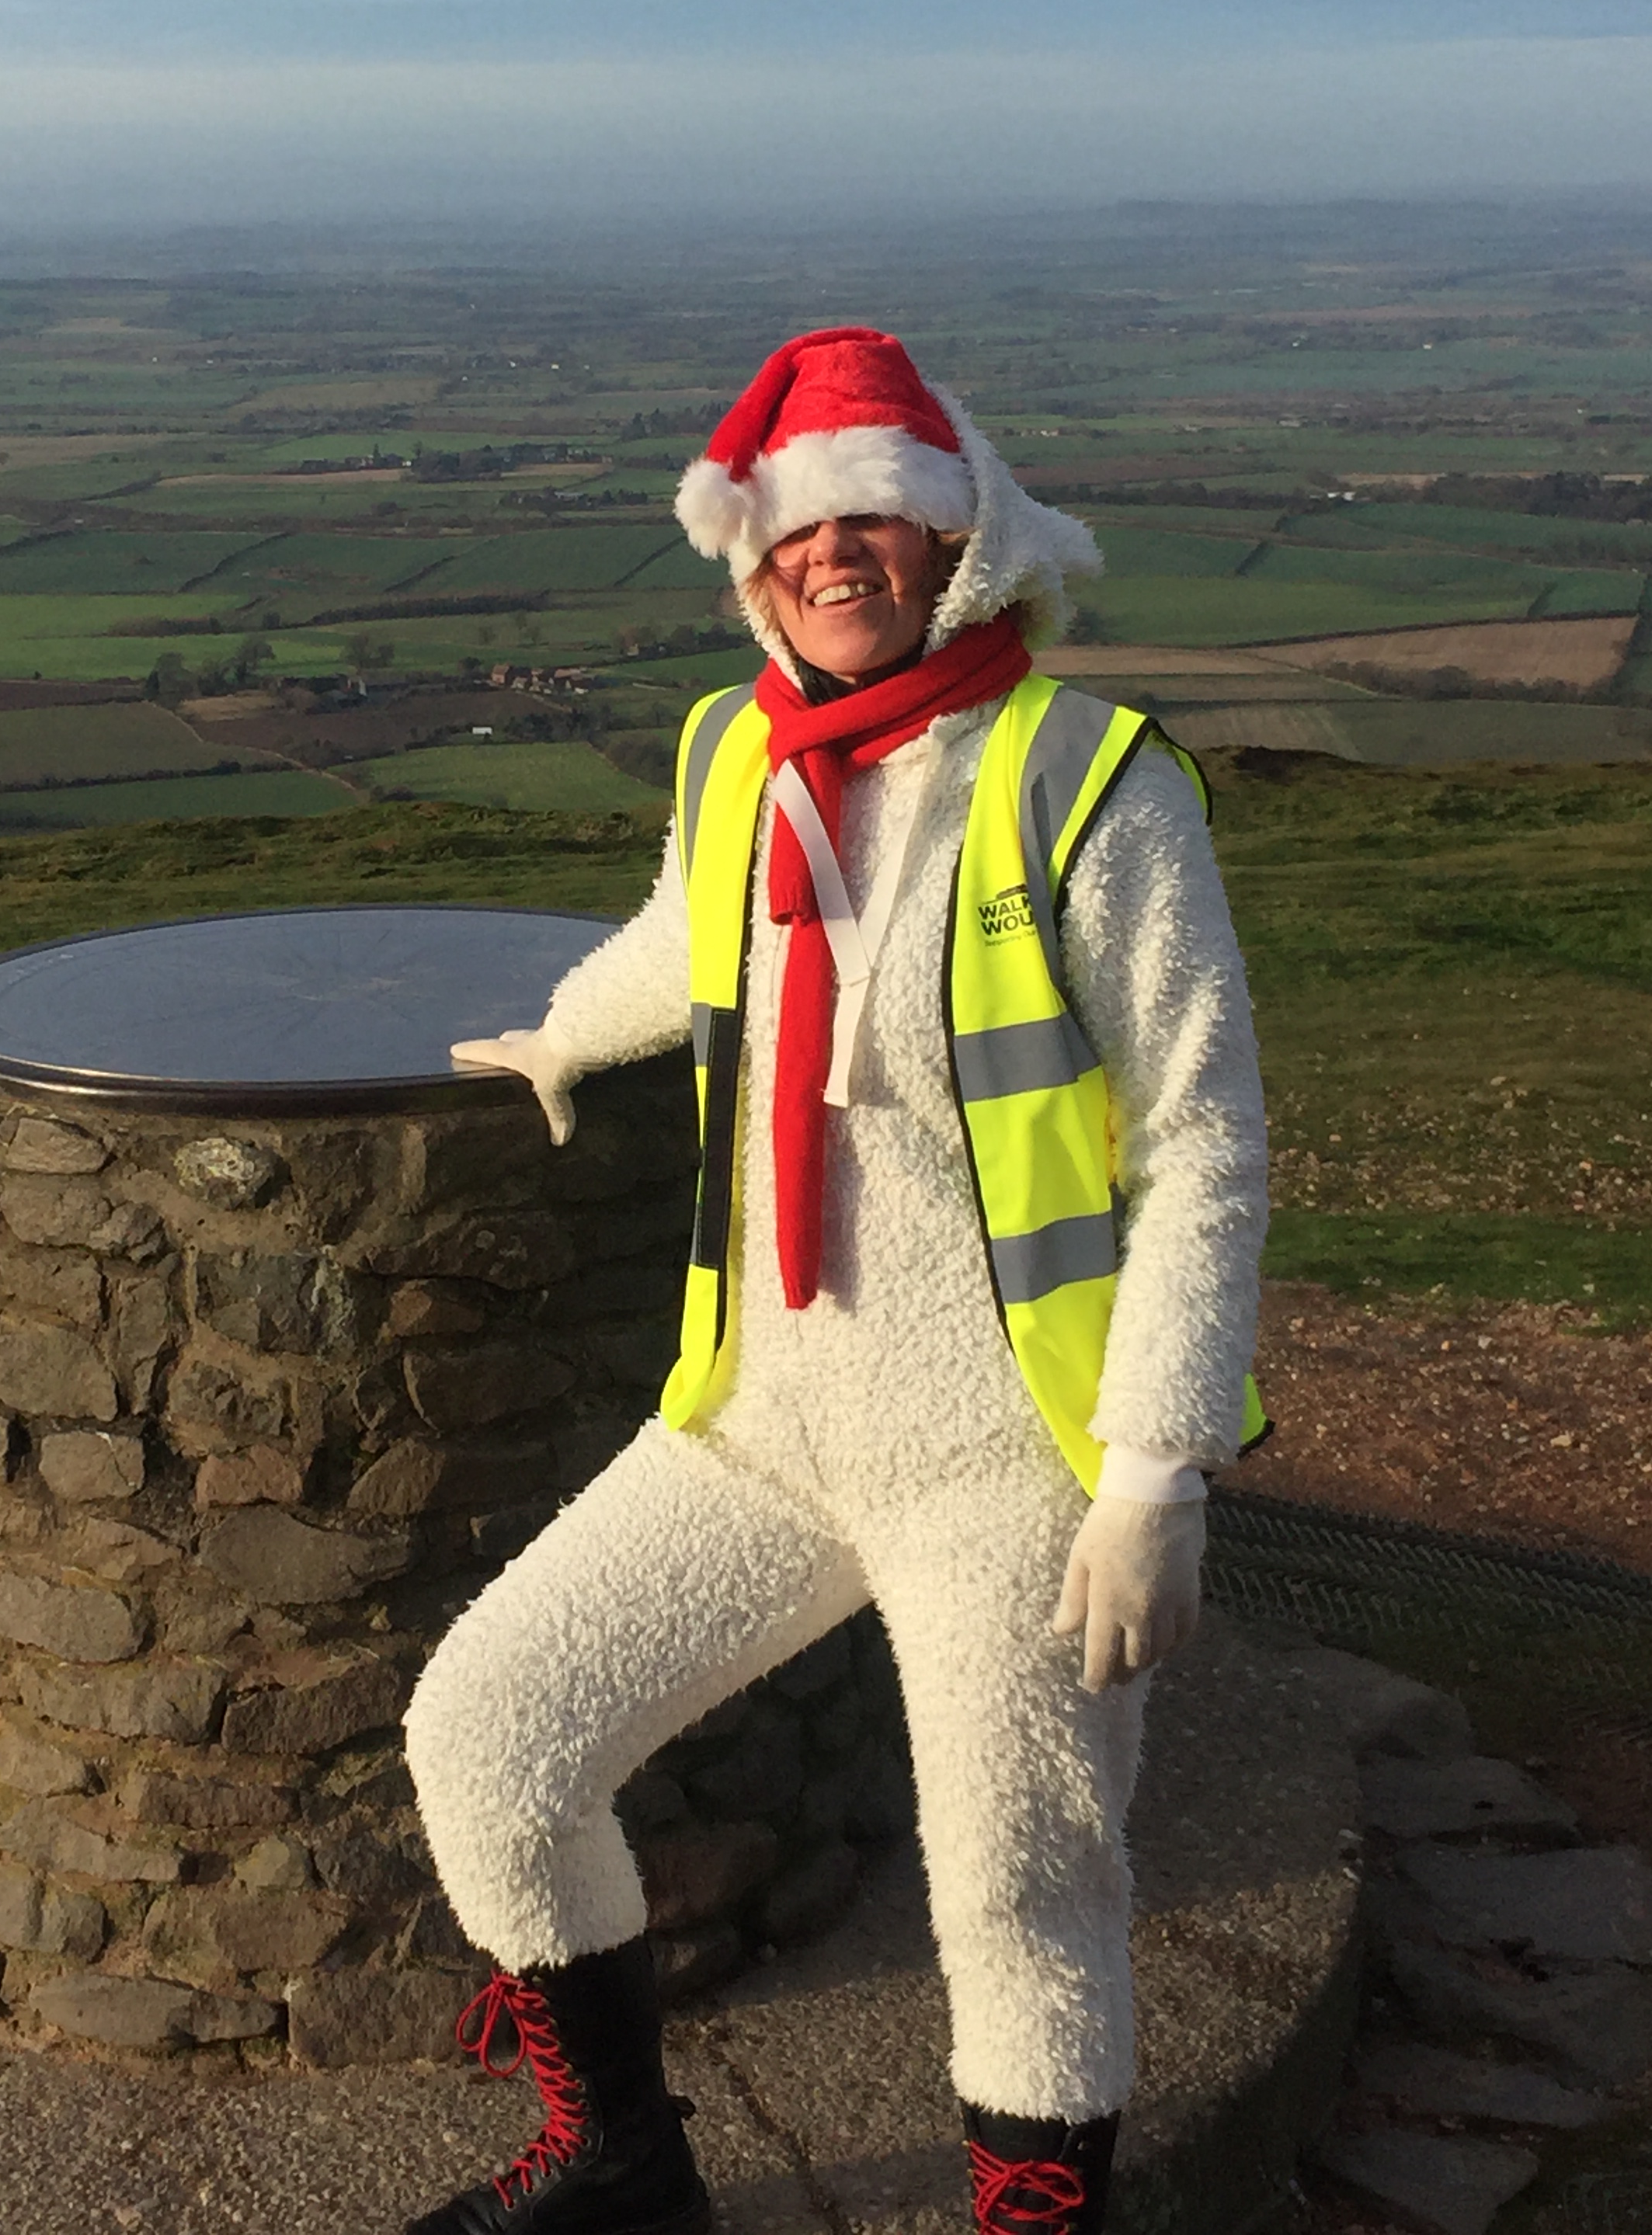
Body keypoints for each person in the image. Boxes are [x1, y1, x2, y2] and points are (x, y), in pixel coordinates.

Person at [405, 326, 1268, 2235]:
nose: (832, 552)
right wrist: (564, 1033)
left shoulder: (1087, 781)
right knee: (489, 1735)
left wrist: (1156, 1472)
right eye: (797, 528)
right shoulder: (739, 746)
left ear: (960, 536)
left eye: (874, 514)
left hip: (1009, 1458)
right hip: (768, 1417)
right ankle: (622, 2171)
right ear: (752, 560)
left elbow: (1203, 1142)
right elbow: (689, 931)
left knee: (1021, 1888)